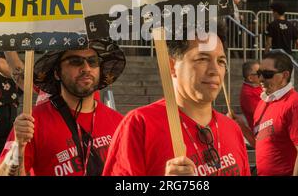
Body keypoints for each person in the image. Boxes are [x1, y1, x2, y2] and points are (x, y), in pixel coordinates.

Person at [103, 23, 250, 176]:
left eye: (221, 61)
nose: (215, 71)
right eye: (202, 59)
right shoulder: (140, 124)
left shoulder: (232, 128)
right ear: (172, 66)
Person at [0, 39, 126, 176]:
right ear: (57, 72)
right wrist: (19, 146)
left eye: (93, 61)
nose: (86, 68)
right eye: (75, 61)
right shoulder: (32, 122)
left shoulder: (119, 123)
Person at [229, 51, 298, 176]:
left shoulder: (296, 105)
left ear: (285, 75)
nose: (261, 79)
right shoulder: (263, 103)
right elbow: (260, 144)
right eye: (259, 73)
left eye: (267, 74)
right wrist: (242, 127)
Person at [239, 61, 263, 127]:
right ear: (250, 78)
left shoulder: (258, 85)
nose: (262, 75)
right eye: (259, 73)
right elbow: (261, 113)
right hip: (260, 129)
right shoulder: (247, 94)